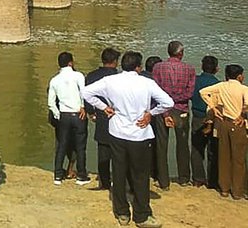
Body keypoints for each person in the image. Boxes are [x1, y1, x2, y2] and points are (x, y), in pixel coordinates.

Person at [82, 51, 173, 228]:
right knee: (140, 175)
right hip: (139, 134)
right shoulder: (147, 82)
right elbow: (168, 102)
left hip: (117, 133)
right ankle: (142, 215)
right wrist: (150, 114)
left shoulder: (110, 81)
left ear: (122, 65)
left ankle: (122, 213)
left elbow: (86, 92)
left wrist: (103, 107)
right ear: (138, 67)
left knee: (119, 172)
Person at [199, 64, 248, 200]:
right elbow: (247, 105)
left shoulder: (221, 86)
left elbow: (203, 92)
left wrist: (213, 108)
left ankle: (224, 189)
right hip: (237, 124)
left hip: (224, 123)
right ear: (239, 76)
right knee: (238, 159)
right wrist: (242, 116)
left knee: (224, 156)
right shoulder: (244, 89)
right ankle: (237, 191)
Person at [151, 40, 195, 189]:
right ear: (181, 53)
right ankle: (184, 178)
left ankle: (163, 181)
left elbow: (155, 91)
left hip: (163, 110)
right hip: (181, 109)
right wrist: (175, 98)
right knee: (182, 145)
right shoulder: (189, 69)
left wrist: (167, 101)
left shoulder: (158, 67)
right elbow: (190, 93)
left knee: (161, 145)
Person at [48, 51, 90, 186]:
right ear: (71, 62)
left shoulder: (54, 80)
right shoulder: (78, 76)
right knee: (80, 146)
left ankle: (58, 175)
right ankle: (81, 176)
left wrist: (57, 114)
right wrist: (83, 107)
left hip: (63, 115)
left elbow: (51, 103)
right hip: (78, 114)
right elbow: (83, 92)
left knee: (61, 145)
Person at [85, 47, 120, 190]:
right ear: (115, 62)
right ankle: (118, 180)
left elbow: (86, 96)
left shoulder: (92, 75)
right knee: (118, 153)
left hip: (101, 116)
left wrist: (91, 112)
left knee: (103, 151)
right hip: (117, 117)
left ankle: (104, 182)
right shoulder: (118, 77)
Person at [190, 55, 219, 188]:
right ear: (216, 69)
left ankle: (197, 179)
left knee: (197, 149)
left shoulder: (194, 81)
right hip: (213, 119)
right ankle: (212, 181)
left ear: (202, 67)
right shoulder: (218, 84)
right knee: (213, 150)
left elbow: (190, 96)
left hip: (197, 116)